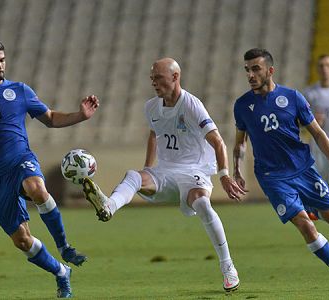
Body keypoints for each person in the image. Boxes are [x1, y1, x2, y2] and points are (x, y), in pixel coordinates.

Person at [0, 39, 99, 298]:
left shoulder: (20, 91)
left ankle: (64, 246)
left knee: (36, 188)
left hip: (21, 159)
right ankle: (61, 272)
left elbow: (50, 118)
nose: (0, 66)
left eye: (2, 60)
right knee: (22, 241)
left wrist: (80, 115)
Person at [81, 57, 246, 292]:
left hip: (194, 170)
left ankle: (228, 267)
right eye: (152, 78)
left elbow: (218, 141)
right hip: (166, 171)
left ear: (175, 77)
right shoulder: (151, 107)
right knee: (134, 176)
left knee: (202, 204)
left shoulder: (191, 105)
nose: (154, 83)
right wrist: (148, 167)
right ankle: (108, 206)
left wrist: (224, 176)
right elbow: (154, 135)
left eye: (158, 78)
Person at [233, 48, 329, 271]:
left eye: (256, 69)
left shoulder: (292, 97)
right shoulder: (242, 106)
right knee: (305, 227)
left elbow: (317, 133)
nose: (250, 75)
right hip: (272, 177)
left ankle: (315, 209)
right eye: (247, 70)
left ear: (270, 70)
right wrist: (236, 170)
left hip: (303, 169)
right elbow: (241, 142)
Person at [303, 55, 329, 192]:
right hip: (318, 146)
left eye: (328, 65)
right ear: (317, 69)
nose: (324, 69)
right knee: (320, 186)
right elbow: (298, 122)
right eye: (321, 66)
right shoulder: (309, 93)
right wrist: (311, 121)